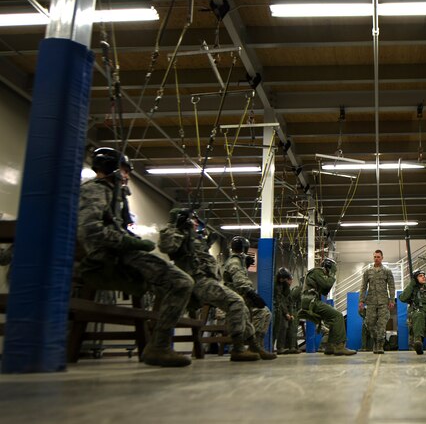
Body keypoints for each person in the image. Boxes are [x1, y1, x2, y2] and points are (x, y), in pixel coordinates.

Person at [77, 147, 194, 367]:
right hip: (108, 256)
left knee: (171, 285)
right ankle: (158, 346)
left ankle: (157, 342)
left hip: (121, 253)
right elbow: (90, 230)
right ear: (111, 167)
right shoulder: (95, 190)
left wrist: (132, 237)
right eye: (124, 169)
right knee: (181, 282)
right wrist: (129, 242)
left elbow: (124, 226)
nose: (127, 175)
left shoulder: (115, 196)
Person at [158, 208, 260, 361]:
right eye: (193, 221)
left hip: (207, 281)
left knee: (241, 306)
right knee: (236, 301)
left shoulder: (196, 238)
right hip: (196, 281)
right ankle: (238, 348)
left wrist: (207, 243)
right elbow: (166, 246)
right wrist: (173, 224)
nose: (196, 225)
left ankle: (250, 345)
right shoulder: (179, 233)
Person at [223, 236, 277, 360]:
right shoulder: (235, 262)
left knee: (265, 313)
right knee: (260, 312)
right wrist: (252, 295)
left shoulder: (239, 261)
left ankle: (256, 345)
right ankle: (247, 346)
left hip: (240, 298)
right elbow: (240, 283)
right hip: (235, 300)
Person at [298, 258, 356, 355]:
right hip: (311, 302)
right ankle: (339, 346)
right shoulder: (317, 272)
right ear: (329, 267)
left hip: (311, 302)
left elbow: (325, 291)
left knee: (331, 320)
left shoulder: (320, 274)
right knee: (338, 316)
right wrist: (332, 274)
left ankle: (330, 346)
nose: (334, 272)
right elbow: (327, 284)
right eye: (334, 269)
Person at [359, 250, 396, 354]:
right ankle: (375, 339)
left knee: (382, 324)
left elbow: (392, 286)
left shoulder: (387, 271)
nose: (376, 258)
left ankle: (380, 344)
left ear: (382, 258)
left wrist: (392, 300)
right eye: (375, 257)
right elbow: (363, 287)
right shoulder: (368, 272)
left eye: (378, 257)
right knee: (369, 323)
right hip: (371, 302)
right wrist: (361, 300)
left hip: (384, 301)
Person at [273, 267, 294, 354]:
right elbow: (278, 299)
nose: (282, 280)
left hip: (282, 307)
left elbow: (286, 298)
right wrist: (286, 313)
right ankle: (269, 346)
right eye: (282, 278)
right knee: (274, 327)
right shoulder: (274, 284)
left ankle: (280, 347)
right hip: (275, 307)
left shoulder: (283, 284)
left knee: (284, 326)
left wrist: (287, 285)